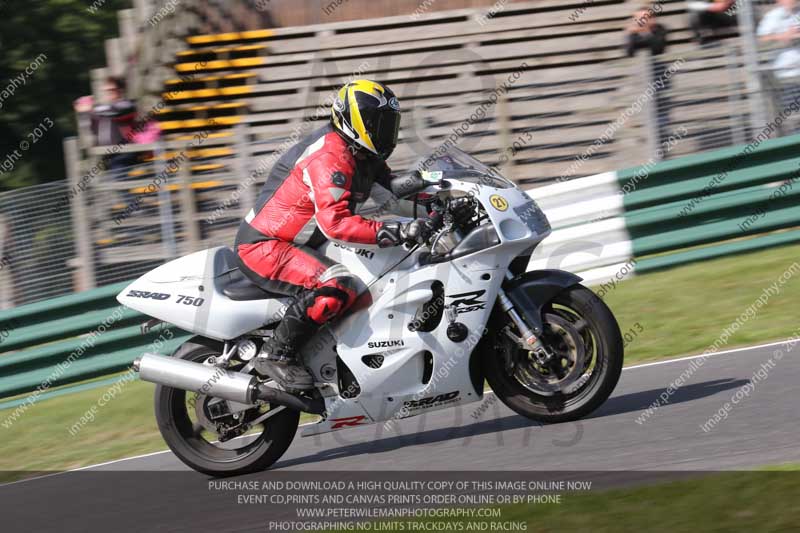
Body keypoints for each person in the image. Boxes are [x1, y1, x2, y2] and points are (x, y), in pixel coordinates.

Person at [234, 79, 434, 391]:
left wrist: (440, 204)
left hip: (302, 244)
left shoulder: (362, 154)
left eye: (388, 124)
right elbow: (335, 225)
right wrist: (395, 231)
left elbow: (390, 193)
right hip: (267, 246)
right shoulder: (331, 155)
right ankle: (277, 354)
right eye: (378, 124)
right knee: (337, 284)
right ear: (356, 122)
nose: (385, 132)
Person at [757, 0, 800, 79]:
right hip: (785, 69)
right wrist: (783, 36)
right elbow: (762, 39)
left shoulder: (798, 14)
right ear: (779, 1)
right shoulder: (773, 16)